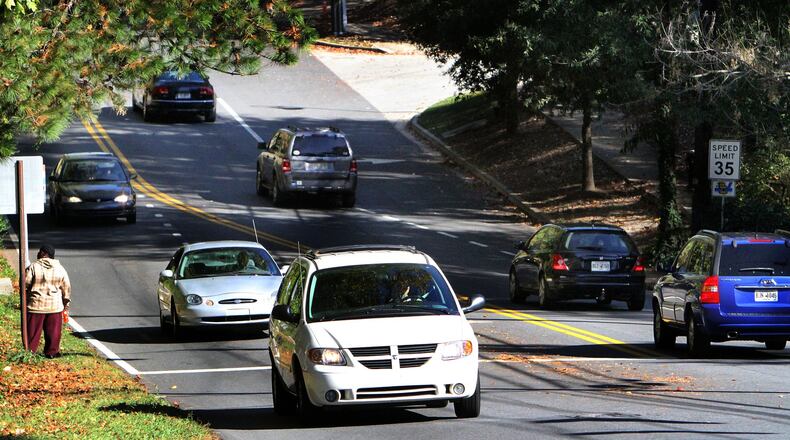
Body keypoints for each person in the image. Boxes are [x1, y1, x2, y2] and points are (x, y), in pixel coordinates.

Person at [25, 244, 71, 358]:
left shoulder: (33, 267)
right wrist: (66, 303)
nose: (37, 254)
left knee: (33, 332)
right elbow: (66, 287)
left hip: (36, 306)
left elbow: (25, 284)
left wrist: (26, 299)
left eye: (39, 251)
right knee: (54, 332)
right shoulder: (60, 268)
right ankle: (52, 352)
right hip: (54, 306)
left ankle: (30, 352)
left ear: (43, 253)